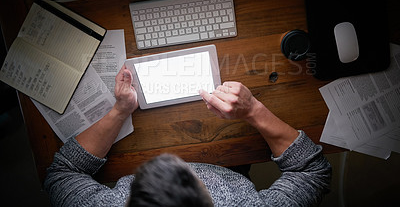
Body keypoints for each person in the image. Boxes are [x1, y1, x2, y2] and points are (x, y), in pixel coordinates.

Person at [44, 65, 332, 206]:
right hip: (228, 162)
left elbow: (62, 173)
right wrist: (253, 110)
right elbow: (312, 170)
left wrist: (120, 111)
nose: (172, 161)